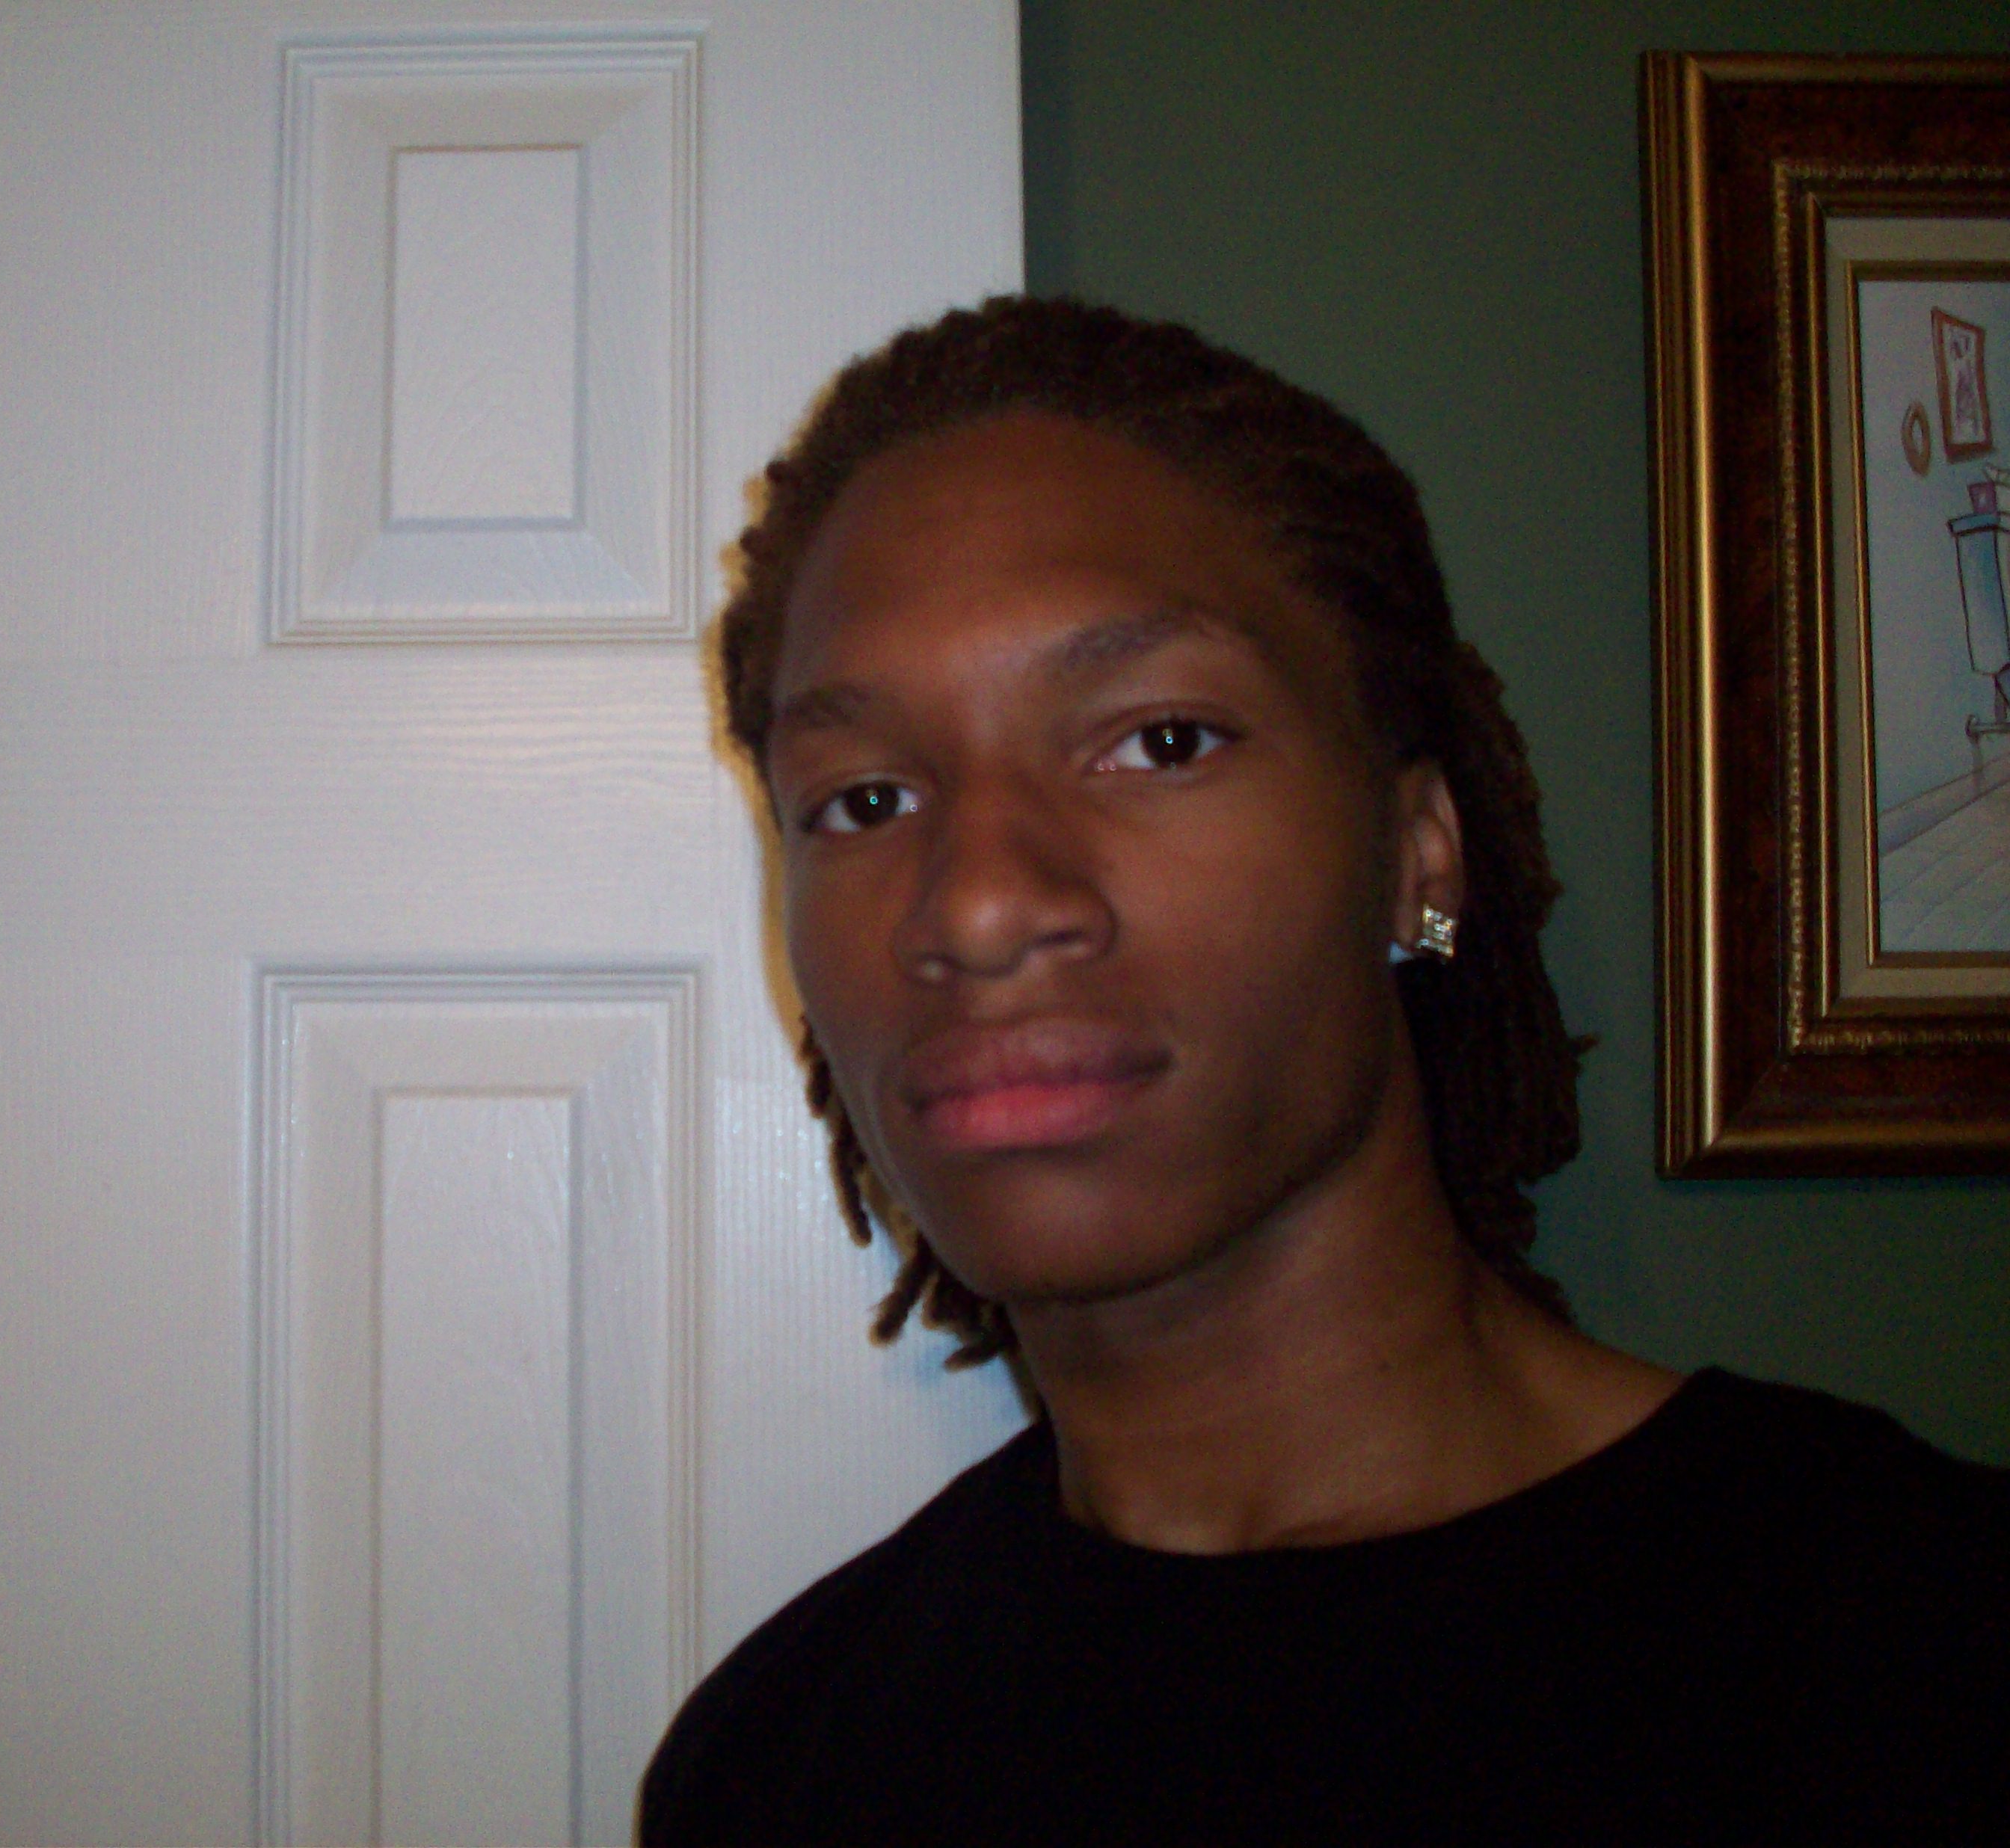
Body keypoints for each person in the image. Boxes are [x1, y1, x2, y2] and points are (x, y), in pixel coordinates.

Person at [639, 298, 2010, 1844]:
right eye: (864, 799)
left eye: (1161, 742)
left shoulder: (1922, 1653)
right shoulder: (780, 1758)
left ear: (1418, 858)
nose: (979, 904)